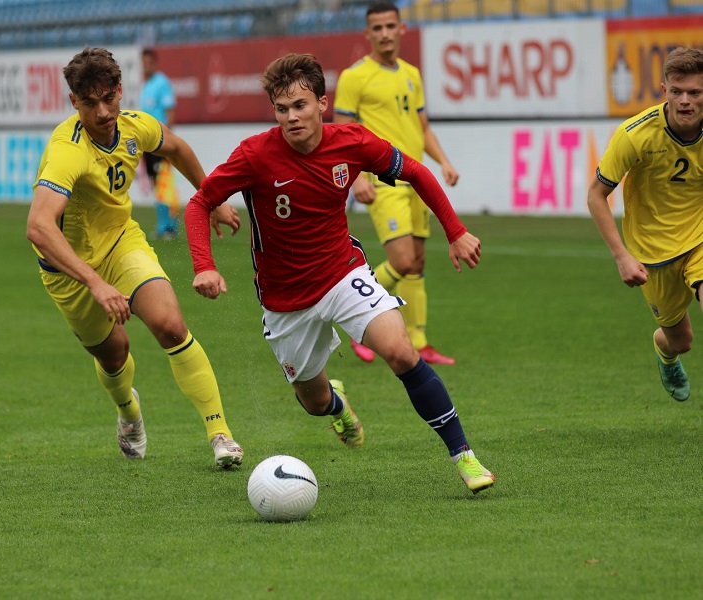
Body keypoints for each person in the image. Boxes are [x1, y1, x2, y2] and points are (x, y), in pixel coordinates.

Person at [185, 53, 495, 494]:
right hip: (285, 300)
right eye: (281, 108)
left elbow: (417, 172)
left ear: (321, 104)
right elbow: (199, 203)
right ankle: (337, 406)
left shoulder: (353, 142)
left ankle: (464, 456)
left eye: (300, 105)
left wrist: (457, 231)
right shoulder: (255, 154)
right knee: (313, 402)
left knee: (402, 352)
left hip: (341, 274)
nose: (291, 117)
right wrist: (204, 266)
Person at [26, 47, 244, 468]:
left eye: (109, 98)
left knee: (170, 324)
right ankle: (129, 413)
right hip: (68, 270)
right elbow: (38, 227)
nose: (103, 111)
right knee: (114, 354)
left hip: (122, 243)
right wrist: (94, 282)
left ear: (121, 91)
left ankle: (221, 434)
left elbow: (176, 148)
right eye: (90, 103)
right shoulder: (67, 150)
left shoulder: (134, 127)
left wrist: (211, 198)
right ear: (74, 102)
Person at [334, 2, 459, 365]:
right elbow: (340, 135)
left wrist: (444, 162)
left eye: (391, 26)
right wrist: (355, 177)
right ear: (367, 34)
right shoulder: (354, 77)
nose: (385, 33)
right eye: (378, 28)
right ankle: (355, 322)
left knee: (417, 262)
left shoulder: (411, 74)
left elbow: (422, 128)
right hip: (383, 178)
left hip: (416, 177)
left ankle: (419, 343)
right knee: (401, 260)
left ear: (402, 28)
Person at [587, 47, 703, 403]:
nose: (685, 101)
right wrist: (622, 256)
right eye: (677, 92)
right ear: (664, 89)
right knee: (681, 340)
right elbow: (596, 196)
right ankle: (665, 352)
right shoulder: (635, 134)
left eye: (695, 93)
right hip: (653, 253)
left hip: (699, 238)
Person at [140, 47, 180, 239]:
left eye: (148, 62)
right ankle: (163, 224)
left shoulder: (162, 83)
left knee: (164, 181)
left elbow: (169, 112)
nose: (145, 66)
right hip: (148, 143)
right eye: (143, 63)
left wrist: (168, 139)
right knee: (158, 182)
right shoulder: (146, 85)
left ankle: (170, 226)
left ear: (154, 63)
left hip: (160, 141)